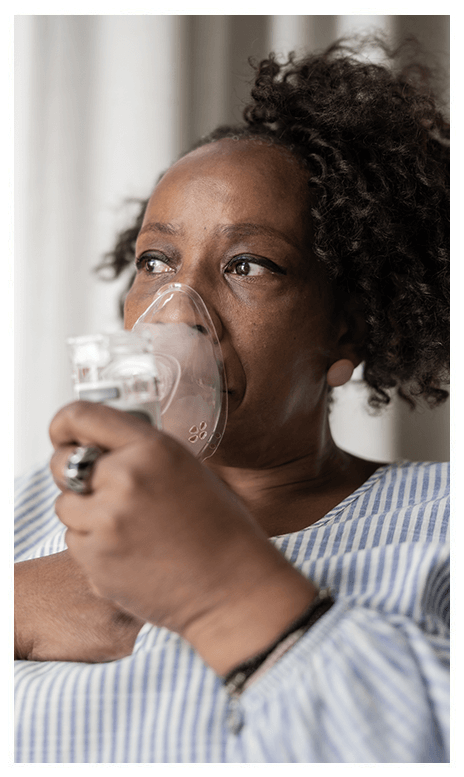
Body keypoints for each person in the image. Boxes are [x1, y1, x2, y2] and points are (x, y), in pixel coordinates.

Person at [14, 37, 450, 763]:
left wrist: (224, 591)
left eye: (248, 264)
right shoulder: (27, 510)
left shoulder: (442, 527)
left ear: (348, 331)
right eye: (155, 261)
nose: (179, 311)